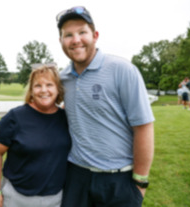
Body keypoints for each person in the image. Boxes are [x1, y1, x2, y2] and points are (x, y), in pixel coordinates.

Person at [56, 6, 155, 207]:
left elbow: (143, 127)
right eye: (68, 35)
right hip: (76, 177)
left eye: (82, 32)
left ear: (95, 35)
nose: (76, 40)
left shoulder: (123, 70)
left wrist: (140, 181)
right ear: (61, 41)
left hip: (118, 180)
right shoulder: (62, 79)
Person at [0, 64, 71, 207]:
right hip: (17, 198)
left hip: (56, 199)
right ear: (31, 91)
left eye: (49, 85)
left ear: (58, 89)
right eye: (38, 86)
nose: (44, 90)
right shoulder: (15, 117)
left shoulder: (66, 118)